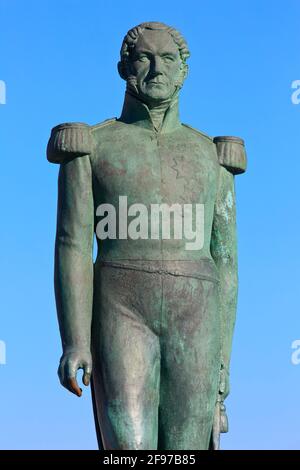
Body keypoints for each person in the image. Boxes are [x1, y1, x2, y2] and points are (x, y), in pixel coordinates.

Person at [47, 21, 246, 450]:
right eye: (144, 58)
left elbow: (226, 262)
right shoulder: (90, 146)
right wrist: (75, 341)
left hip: (197, 314)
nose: (156, 69)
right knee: (126, 447)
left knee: (185, 450)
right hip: (120, 307)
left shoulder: (213, 156)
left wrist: (223, 358)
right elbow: (73, 244)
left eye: (168, 59)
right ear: (124, 68)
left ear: (183, 71)